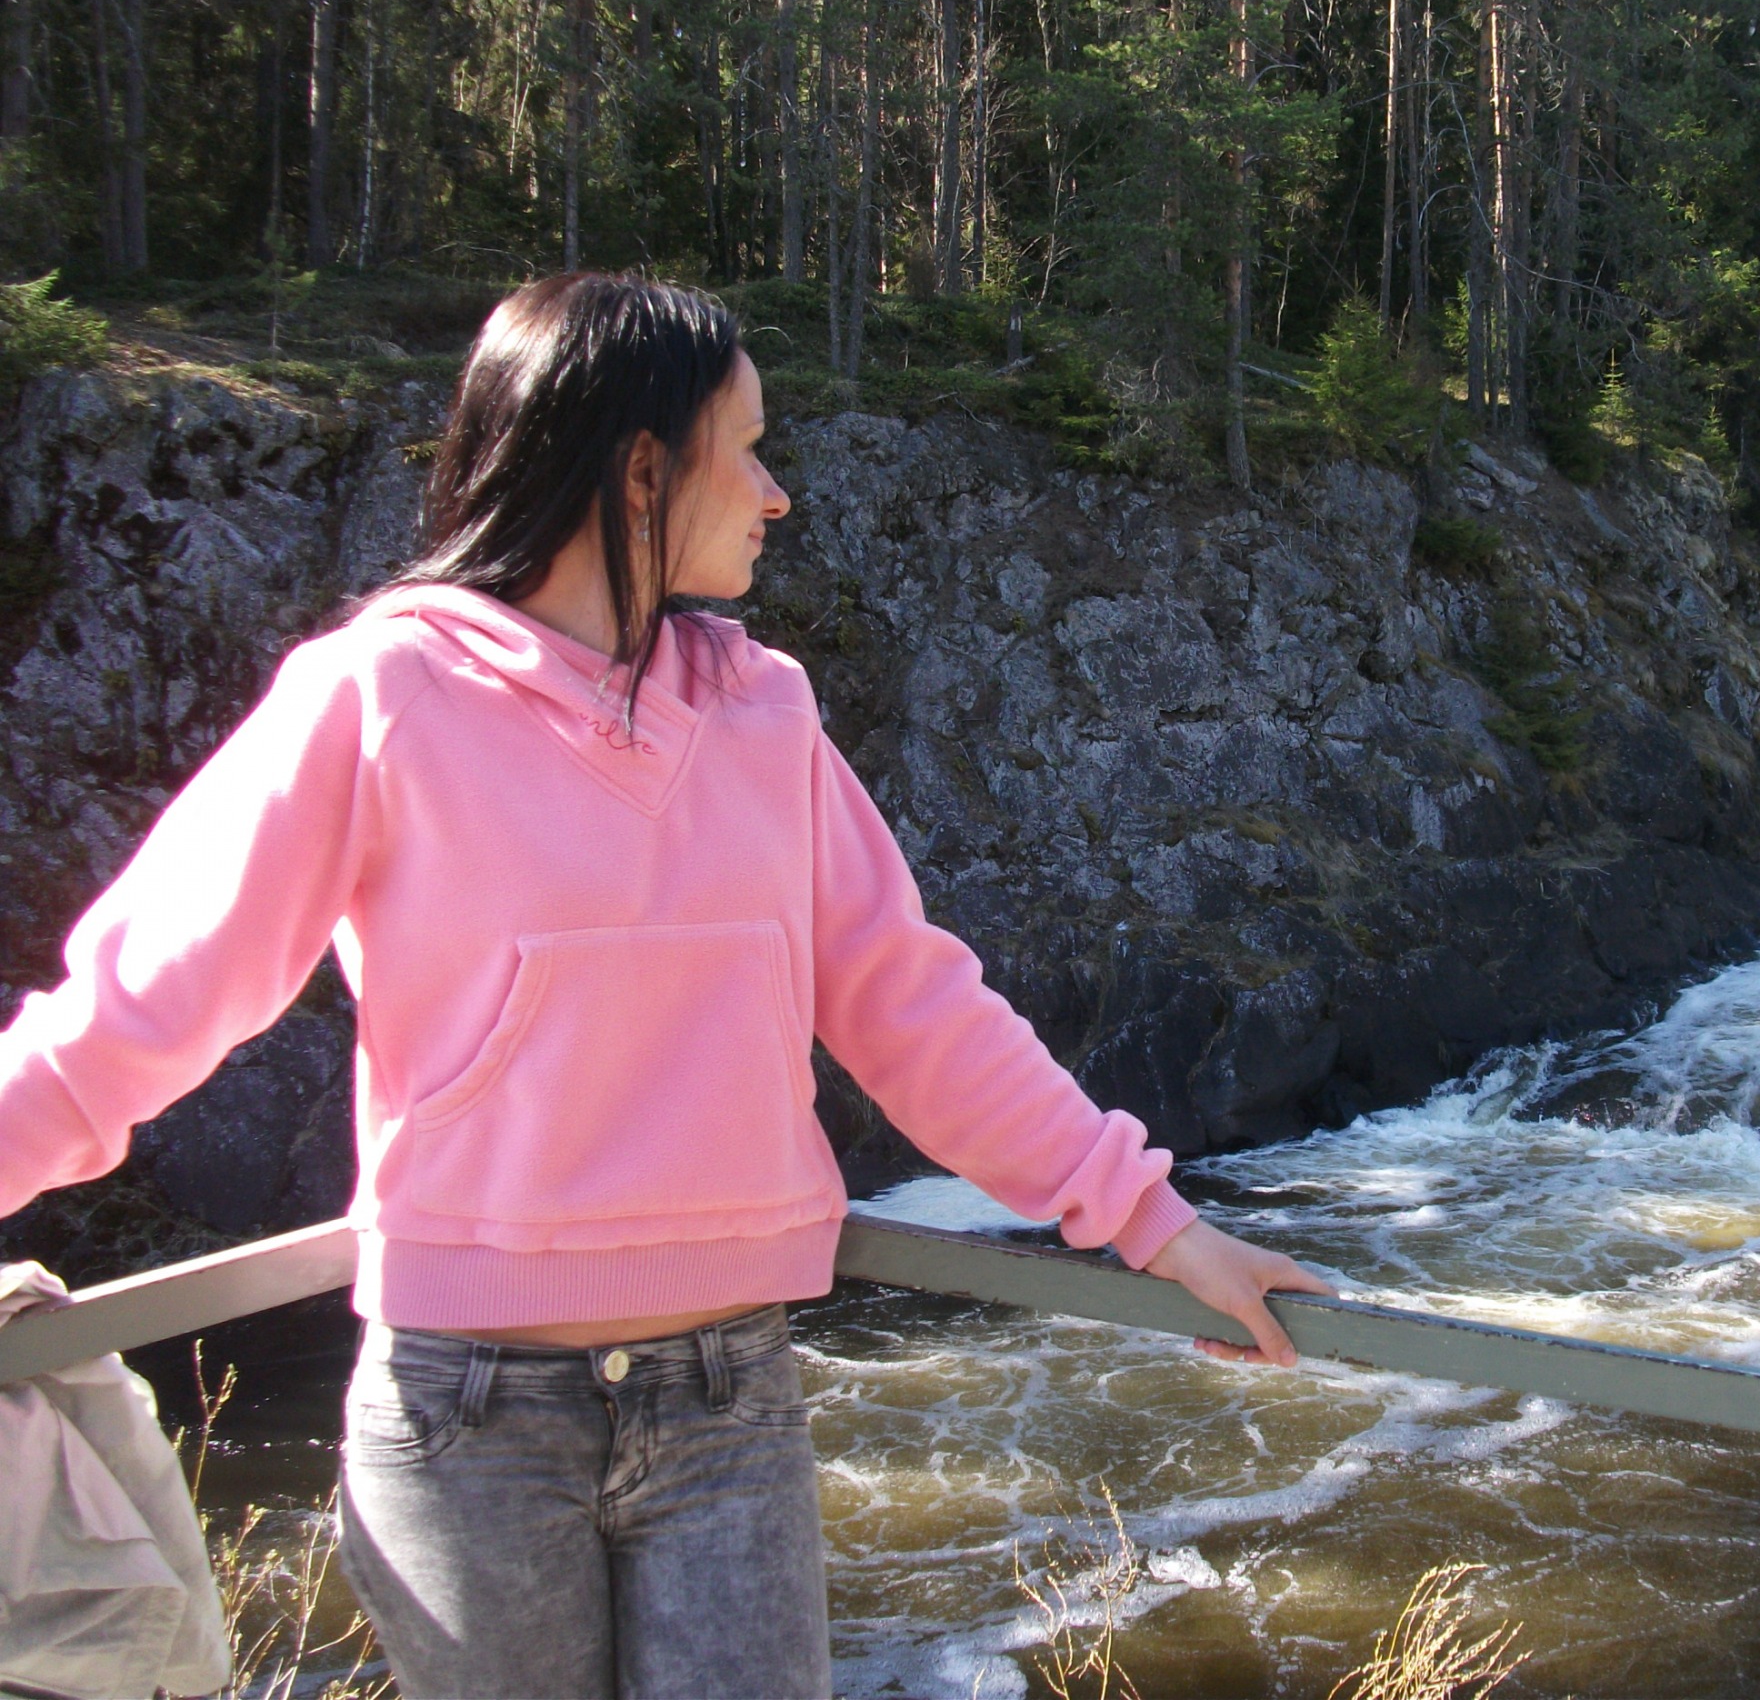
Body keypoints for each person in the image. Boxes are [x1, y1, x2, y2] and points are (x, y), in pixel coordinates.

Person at [0, 273, 1331, 1699]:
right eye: (745, 450)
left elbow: (911, 1004)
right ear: (641, 471)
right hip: (465, 1420)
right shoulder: (377, 694)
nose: (776, 494)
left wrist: (1157, 1224)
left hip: (726, 1403)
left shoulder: (768, 708)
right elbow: (142, 1001)